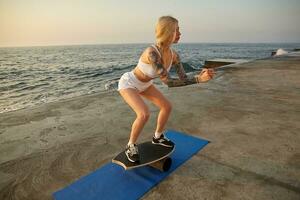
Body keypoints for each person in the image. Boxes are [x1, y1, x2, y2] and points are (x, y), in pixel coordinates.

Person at [118, 16, 215, 162]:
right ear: (168, 32)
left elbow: (183, 78)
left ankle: (157, 137)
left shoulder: (174, 55)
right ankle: (130, 145)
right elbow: (168, 82)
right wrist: (199, 80)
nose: (180, 33)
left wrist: (200, 75)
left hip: (145, 85)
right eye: (177, 30)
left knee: (166, 107)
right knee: (144, 114)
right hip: (129, 83)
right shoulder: (152, 53)